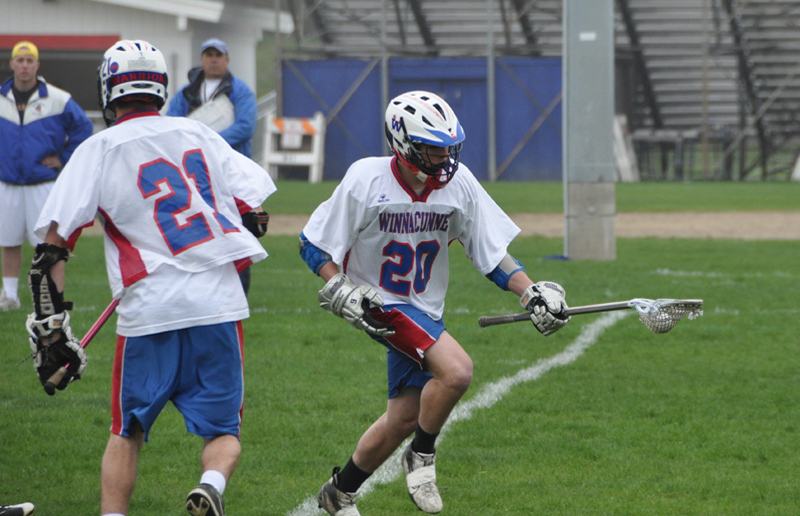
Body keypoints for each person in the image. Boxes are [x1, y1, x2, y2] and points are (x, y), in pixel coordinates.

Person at [24, 40, 275, 516]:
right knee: (223, 433)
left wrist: (51, 323)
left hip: (148, 309)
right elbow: (255, 212)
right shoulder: (199, 133)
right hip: (217, 304)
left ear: (109, 90)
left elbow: (53, 247)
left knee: (127, 432)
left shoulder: (97, 147)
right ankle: (210, 486)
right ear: (160, 87)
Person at [300, 90, 571, 515]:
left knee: (404, 417)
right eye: (432, 148)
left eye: (448, 147)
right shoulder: (366, 179)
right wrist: (338, 287)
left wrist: (530, 291)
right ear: (403, 143)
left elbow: (490, 253)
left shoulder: (458, 183)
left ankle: (340, 492)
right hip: (379, 304)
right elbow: (313, 245)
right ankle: (421, 456)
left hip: (424, 307)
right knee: (458, 371)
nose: (444, 158)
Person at [0, 40, 93, 310]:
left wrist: (62, 158)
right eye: (20, 60)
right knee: (9, 240)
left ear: (37, 65)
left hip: (43, 182)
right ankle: (9, 297)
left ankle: (49, 297)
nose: (25, 65)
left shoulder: (57, 98)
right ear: (12, 64)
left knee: (47, 243)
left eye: (30, 61)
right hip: (7, 182)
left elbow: (83, 129)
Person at [166, 38, 260, 296]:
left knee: (236, 232)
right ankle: (199, 291)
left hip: (229, 175)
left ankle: (239, 292)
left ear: (227, 60)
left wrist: (207, 143)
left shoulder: (240, 91)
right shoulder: (186, 92)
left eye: (219, 54)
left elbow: (246, 126)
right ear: (201, 59)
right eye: (209, 54)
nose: (214, 59)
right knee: (196, 233)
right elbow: (170, 125)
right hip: (193, 177)